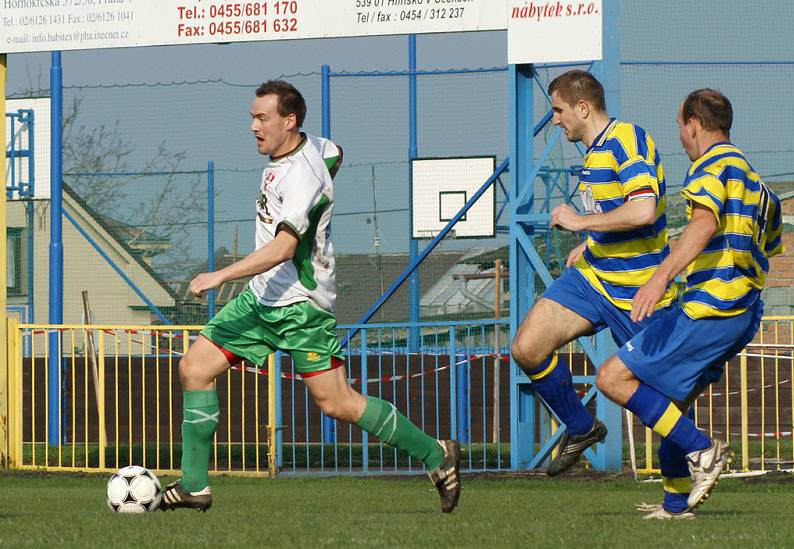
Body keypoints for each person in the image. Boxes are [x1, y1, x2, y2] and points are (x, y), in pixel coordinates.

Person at [160, 80, 461, 513]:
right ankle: (194, 486)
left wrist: (219, 276)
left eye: (261, 118)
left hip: (301, 306)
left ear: (289, 120)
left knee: (338, 403)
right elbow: (336, 150)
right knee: (194, 368)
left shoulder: (303, 177)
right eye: (252, 116)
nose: (252, 126)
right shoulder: (310, 148)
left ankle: (436, 453)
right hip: (261, 300)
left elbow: (284, 248)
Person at [596, 89, 783, 519]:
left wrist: (660, 276)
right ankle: (676, 502)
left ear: (694, 125)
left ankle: (704, 451)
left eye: (680, 126)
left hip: (709, 306)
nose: (680, 136)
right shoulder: (755, 181)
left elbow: (703, 223)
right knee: (665, 404)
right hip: (743, 312)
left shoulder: (709, 167)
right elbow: (771, 247)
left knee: (611, 378)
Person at [511, 70, 677, 476]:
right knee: (526, 348)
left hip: (639, 292)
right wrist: (592, 244)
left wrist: (581, 224)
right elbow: (616, 213)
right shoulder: (594, 152)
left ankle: (688, 475)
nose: (554, 119)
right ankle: (582, 428)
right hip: (593, 279)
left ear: (582, 108)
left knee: (666, 399)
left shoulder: (627, 140)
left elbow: (643, 210)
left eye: (558, 110)